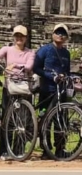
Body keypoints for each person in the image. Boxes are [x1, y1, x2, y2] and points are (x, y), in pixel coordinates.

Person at [0, 25, 35, 160]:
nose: (19, 38)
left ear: (26, 38)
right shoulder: (7, 49)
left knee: (22, 121)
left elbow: (29, 66)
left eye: (21, 36)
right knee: (7, 119)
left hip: (23, 88)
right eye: (17, 36)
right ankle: (4, 150)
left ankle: (18, 149)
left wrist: (15, 65)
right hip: (9, 88)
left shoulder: (30, 52)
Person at [33, 23, 71, 159]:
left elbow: (67, 71)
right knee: (45, 119)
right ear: (52, 34)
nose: (60, 35)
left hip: (61, 91)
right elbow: (36, 68)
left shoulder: (66, 53)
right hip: (47, 90)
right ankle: (46, 149)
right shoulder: (45, 50)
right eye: (58, 32)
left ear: (66, 37)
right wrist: (51, 76)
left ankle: (60, 148)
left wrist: (68, 77)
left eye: (63, 33)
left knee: (61, 120)